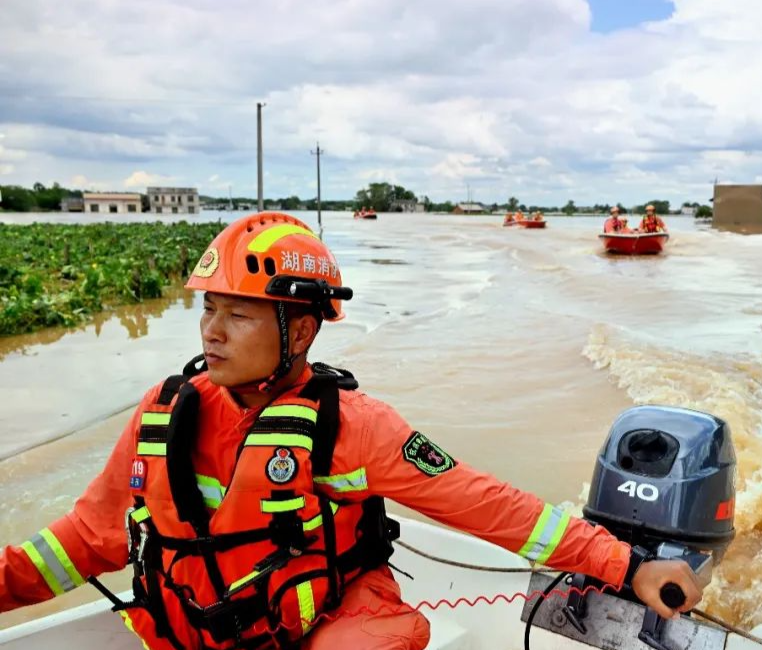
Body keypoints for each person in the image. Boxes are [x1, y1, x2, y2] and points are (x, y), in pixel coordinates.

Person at [0, 212, 704, 650]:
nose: (211, 331)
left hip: (318, 625)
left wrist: (627, 565)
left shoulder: (350, 427)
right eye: (208, 309)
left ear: (298, 327)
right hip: (198, 629)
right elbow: (86, 538)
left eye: (238, 314)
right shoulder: (163, 411)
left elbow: (487, 503)